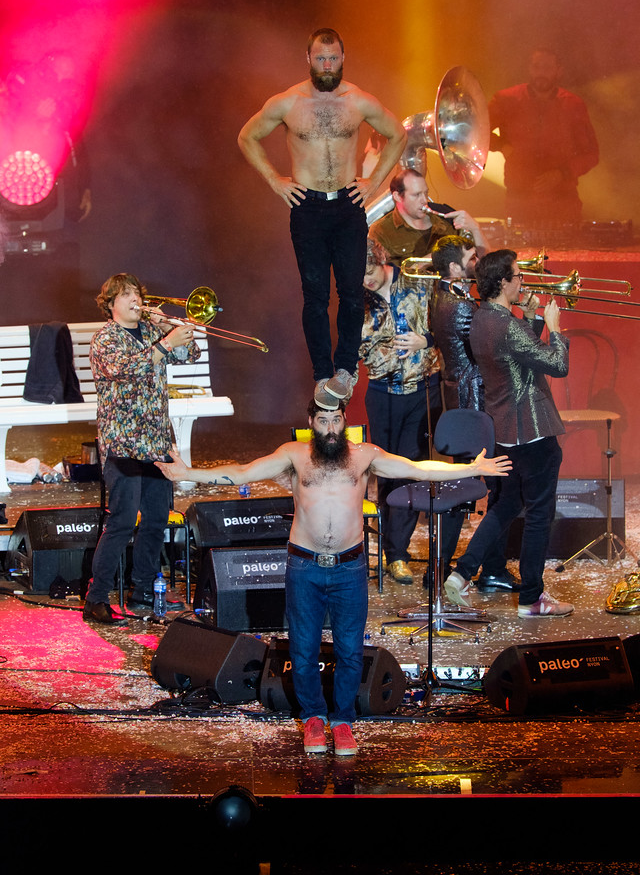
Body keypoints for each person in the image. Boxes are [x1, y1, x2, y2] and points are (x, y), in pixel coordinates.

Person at [156, 400, 511, 755]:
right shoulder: (294, 455)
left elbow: (417, 469)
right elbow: (243, 472)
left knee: (350, 651)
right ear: (310, 421)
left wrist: (471, 468)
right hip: (304, 566)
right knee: (303, 650)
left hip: (349, 567)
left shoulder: (364, 455)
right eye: (323, 420)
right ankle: (313, 717)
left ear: (344, 422)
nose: (330, 428)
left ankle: (342, 722)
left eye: (336, 420)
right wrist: (188, 473)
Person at [237, 27, 406, 410]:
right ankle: (321, 373)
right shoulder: (288, 102)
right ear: (308, 59)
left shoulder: (358, 100)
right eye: (320, 58)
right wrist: (275, 181)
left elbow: (397, 134)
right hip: (308, 207)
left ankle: (345, 369)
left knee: (351, 292)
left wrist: (374, 182)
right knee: (315, 295)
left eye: (333, 58)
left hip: (347, 204)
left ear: (343, 58)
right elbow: (247, 136)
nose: (327, 65)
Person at [444, 249, 573, 618]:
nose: (522, 282)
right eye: (518, 276)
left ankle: (462, 573)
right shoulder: (507, 326)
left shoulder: (482, 319)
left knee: (507, 505)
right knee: (539, 514)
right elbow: (556, 364)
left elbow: (519, 354)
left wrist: (531, 318)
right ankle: (532, 598)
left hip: (504, 429)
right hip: (533, 430)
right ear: (503, 282)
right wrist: (555, 326)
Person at [82, 273, 201, 625]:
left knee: (156, 520)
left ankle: (145, 588)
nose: (136, 300)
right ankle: (96, 598)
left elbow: (189, 355)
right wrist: (164, 344)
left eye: (137, 293)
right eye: (126, 295)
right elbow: (125, 369)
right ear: (111, 304)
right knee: (121, 522)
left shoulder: (151, 331)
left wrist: (170, 328)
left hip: (156, 442)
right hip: (123, 444)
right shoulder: (105, 339)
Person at [429, 234, 519, 593]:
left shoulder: (443, 296)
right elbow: (488, 349)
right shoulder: (462, 307)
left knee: (463, 488)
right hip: (475, 403)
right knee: (492, 487)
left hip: (461, 400)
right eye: (471, 258)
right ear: (454, 267)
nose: (476, 263)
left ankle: (441, 568)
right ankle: (488, 568)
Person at [359, 238, 441, 585]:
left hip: (423, 389)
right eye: (358, 275)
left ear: (380, 259)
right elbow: (355, 347)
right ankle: (388, 549)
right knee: (386, 471)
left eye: (369, 271)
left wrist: (427, 340)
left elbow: (450, 323)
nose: (366, 280)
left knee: (410, 468)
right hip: (382, 393)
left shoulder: (418, 281)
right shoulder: (357, 300)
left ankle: (397, 554)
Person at [488, 48, 599, 227]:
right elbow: (476, 132)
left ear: (559, 71)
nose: (541, 73)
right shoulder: (507, 99)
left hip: (563, 202)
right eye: (536, 67)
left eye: (547, 68)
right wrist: (501, 145)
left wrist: (561, 174)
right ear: (529, 68)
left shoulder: (573, 105)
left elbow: (591, 154)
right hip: (520, 200)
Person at [367, 167, 488, 269]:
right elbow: (381, 278)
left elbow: (485, 265)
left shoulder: (445, 220)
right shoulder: (381, 230)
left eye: (426, 193)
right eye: (416, 195)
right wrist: (432, 259)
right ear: (397, 196)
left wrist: (475, 229)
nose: (424, 200)